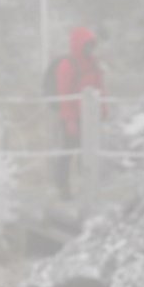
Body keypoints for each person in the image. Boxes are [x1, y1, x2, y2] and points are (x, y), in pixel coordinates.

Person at [52, 26, 106, 199]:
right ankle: (63, 188)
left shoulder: (93, 63)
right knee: (68, 152)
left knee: (88, 151)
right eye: (86, 45)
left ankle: (88, 186)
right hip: (73, 117)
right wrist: (69, 120)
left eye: (91, 45)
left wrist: (103, 108)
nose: (89, 48)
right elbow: (64, 94)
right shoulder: (67, 65)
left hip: (89, 116)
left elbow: (100, 87)